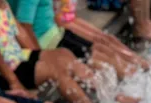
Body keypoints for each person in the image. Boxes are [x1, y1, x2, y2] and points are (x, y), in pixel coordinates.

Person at [0, 0, 138, 103]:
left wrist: (39, 55)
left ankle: (111, 96)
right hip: (6, 68)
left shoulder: (0, 3)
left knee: (63, 54)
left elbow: (19, 31)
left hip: (19, 56)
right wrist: (14, 82)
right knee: (56, 70)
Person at [10, 0, 142, 79]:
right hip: (50, 40)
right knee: (95, 56)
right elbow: (25, 25)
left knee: (100, 47)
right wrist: (39, 55)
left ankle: (136, 73)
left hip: (57, 33)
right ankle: (129, 83)